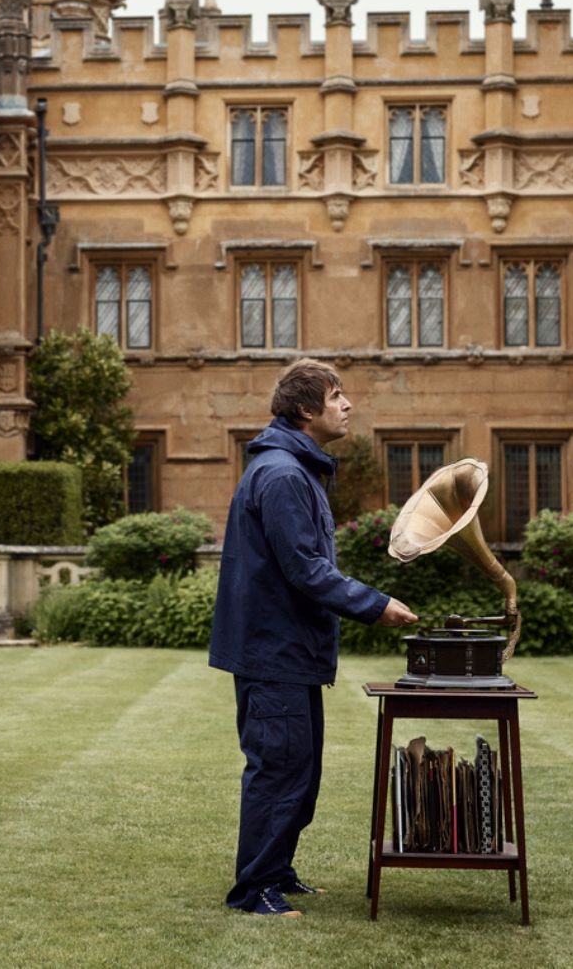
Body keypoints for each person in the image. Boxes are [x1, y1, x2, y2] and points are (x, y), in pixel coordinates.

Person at [209, 358, 418, 917]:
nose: (347, 405)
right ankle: (253, 892)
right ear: (306, 410)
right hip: (273, 652)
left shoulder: (294, 469)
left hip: (289, 652)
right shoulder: (281, 475)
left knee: (299, 774)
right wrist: (376, 606)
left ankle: (276, 871)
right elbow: (305, 569)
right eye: (336, 395)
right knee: (278, 770)